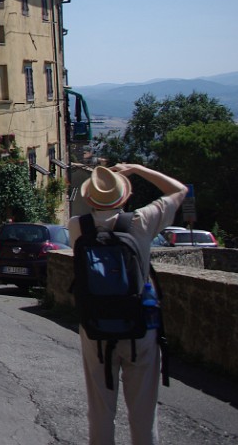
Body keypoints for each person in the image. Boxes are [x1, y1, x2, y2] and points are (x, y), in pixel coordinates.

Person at [68, 163, 188, 445]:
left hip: (95, 329)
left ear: (89, 199)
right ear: (124, 197)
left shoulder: (77, 227)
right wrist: (136, 169)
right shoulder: (141, 222)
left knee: (99, 412)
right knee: (143, 416)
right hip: (140, 328)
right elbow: (180, 190)